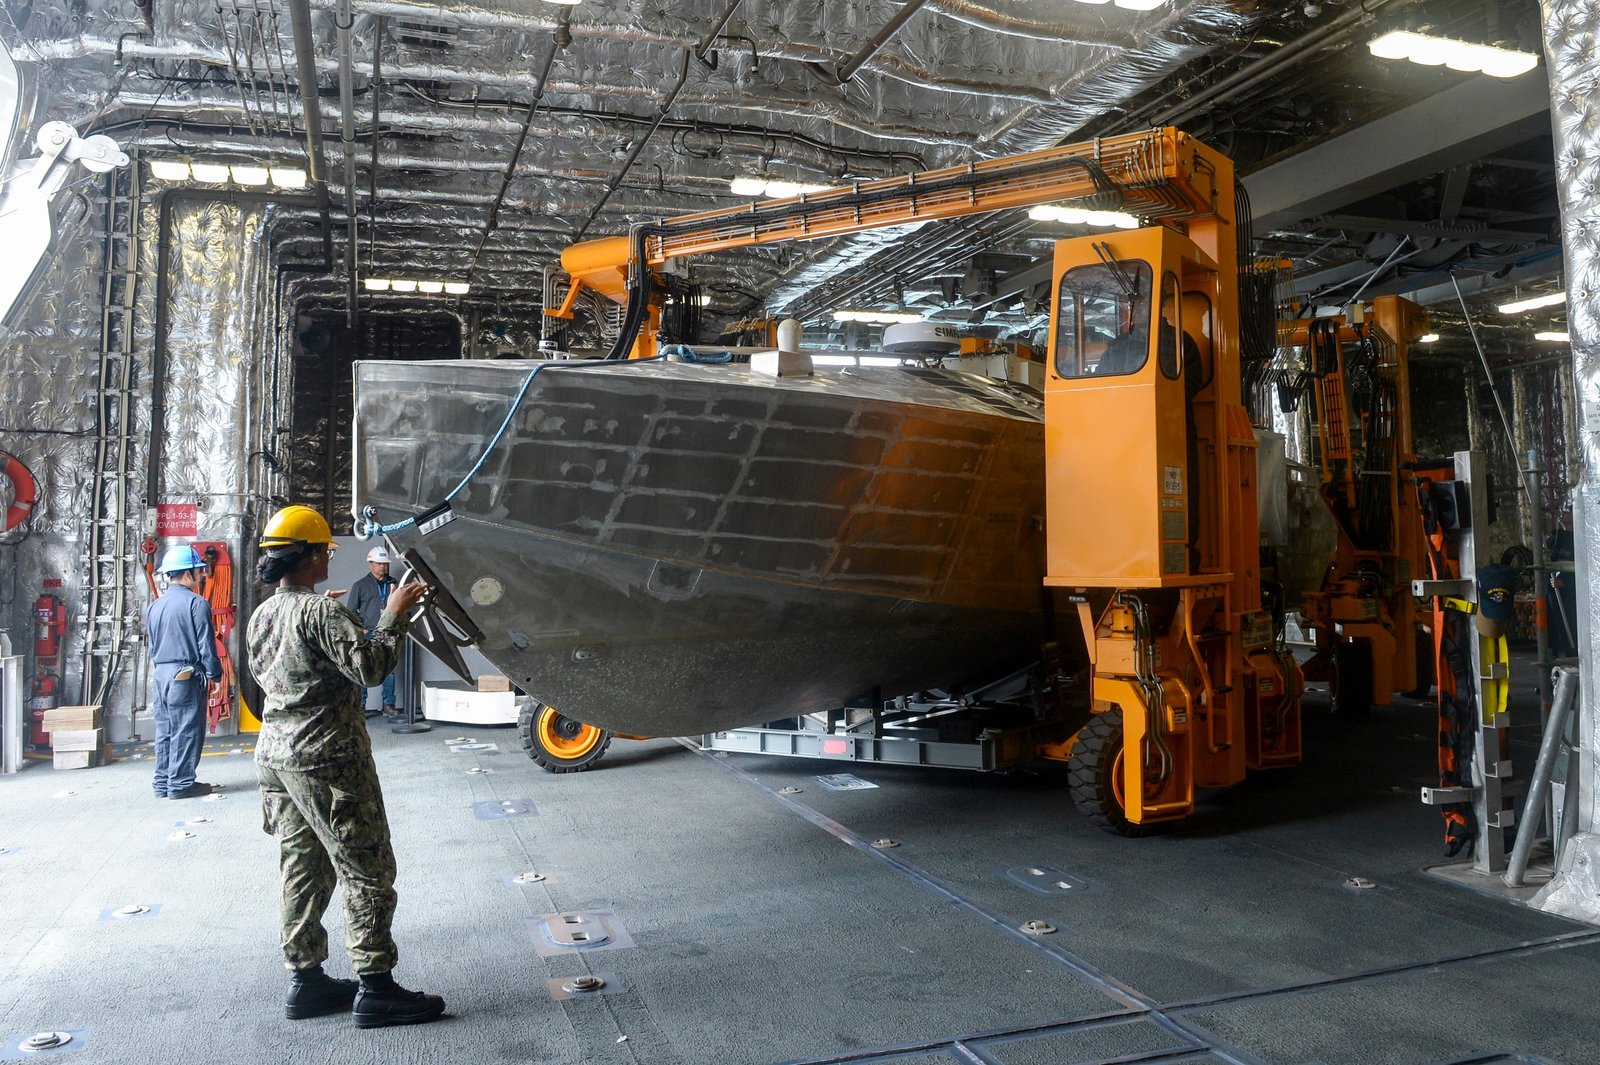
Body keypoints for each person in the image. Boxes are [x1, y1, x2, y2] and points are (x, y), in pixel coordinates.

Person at [245, 505, 443, 1027]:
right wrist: (393, 613)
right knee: (366, 867)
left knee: (302, 867)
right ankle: (376, 988)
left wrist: (329, 620)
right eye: (325, 551)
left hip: (276, 758)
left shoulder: (264, 614)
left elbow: (279, 672)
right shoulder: (320, 613)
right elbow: (371, 669)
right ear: (310, 557)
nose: (328, 558)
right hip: (329, 761)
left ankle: (305, 982)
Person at [146, 544, 223, 799]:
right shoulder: (196, 603)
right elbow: (205, 644)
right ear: (187, 574)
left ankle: (162, 782)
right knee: (187, 729)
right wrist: (215, 675)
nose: (202, 575)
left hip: (161, 675)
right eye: (198, 571)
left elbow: (153, 646)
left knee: (166, 730)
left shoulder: (155, 606)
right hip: (185, 674)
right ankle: (180, 784)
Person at [347, 546, 400, 717]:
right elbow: (351, 610)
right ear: (370, 563)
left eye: (385, 563)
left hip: (388, 632)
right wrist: (360, 628)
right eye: (379, 563)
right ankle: (361, 706)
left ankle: (388, 705)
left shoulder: (393, 584)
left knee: (389, 670)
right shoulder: (360, 586)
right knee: (363, 668)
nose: (383, 567)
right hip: (367, 633)